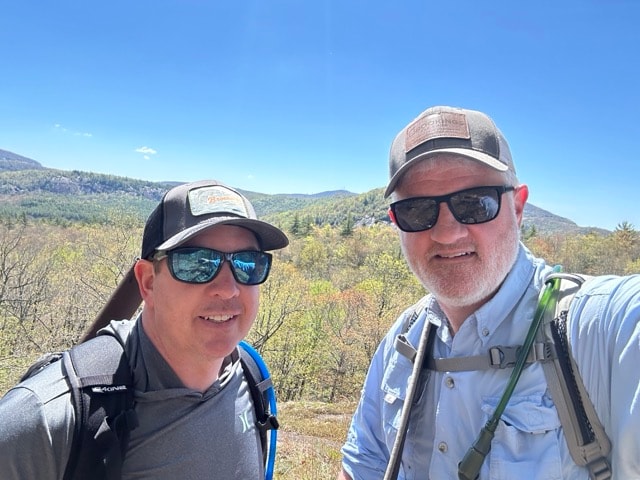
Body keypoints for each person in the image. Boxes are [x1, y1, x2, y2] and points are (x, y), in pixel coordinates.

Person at [338, 106, 640, 479]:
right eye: (417, 210)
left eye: (475, 203)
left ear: (517, 207)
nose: (447, 233)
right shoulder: (403, 341)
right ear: (396, 223)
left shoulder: (596, 329)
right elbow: (363, 465)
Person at [0, 179, 289, 479]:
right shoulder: (44, 420)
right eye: (197, 264)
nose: (229, 289)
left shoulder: (252, 378)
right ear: (148, 281)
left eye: (247, 263)